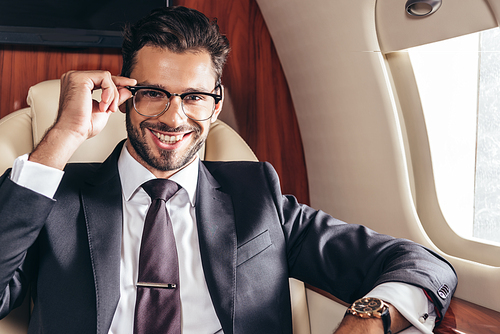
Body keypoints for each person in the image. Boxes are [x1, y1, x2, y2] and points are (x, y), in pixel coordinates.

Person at [0, 6, 457, 334]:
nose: (174, 118)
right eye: (154, 92)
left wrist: (368, 319)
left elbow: (423, 264)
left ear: (215, 106)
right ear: (125, 95)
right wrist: (62, 136)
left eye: (194, 96)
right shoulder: (55, 197)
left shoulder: (258, 196)